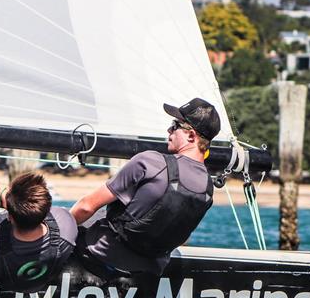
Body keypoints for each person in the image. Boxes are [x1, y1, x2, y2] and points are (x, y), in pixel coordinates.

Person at [70, 98, 219, 277]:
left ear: (191, 136)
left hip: (100, 257)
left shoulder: (151, 162)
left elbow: (86, 206)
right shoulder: (208, 189)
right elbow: (181, 236)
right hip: (147, 274)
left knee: (59, 218)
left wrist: (59, 230)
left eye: (175, 125)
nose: (169, 130)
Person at [0, 172, 77, 292]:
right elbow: (37, 210)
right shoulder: (66, 225)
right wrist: (8, 197)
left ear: (9, 216)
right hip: (41, 281)